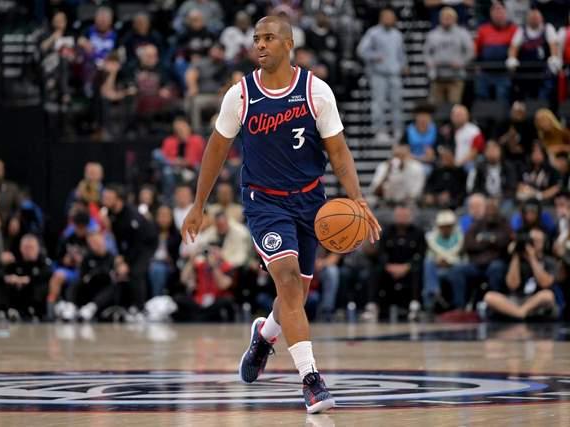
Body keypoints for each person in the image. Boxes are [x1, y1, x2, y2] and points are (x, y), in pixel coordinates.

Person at [181, 15, 381, 413]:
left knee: (296, 296)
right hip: (264, 203)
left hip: (310, 202)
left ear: (289, 44)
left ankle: (264, 334)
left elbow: (338, 152)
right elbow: (216, 149)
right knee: (287, 281)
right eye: (257, 38)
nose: (260, 44)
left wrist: (357, 199)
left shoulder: (315, 91)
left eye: (269, 38)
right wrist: (198, 205)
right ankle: (311, 380)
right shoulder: (240, 95)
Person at [484, 229, 560, 320]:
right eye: (531, 241)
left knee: (548, 295)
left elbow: (545, 283)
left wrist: (532, 258)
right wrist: (516, 255)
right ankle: (521, 313)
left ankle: (518, 313)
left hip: (535, 300)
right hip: (515, 299)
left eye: (537, 241)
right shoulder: (515, 260)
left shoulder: (549, 261)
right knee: (489, 297)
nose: (533, 244)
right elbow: (512, 285)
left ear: (544, 243)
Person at [357, 7, 407, 140]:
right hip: (378, 74)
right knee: (379, 103)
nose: (389, 19)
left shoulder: (397, 35)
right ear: (381, 18)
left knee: (397, 103)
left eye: (391, 17)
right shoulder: (373, 33)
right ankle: (379, 130)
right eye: (386, 17)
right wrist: (375, 56)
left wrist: (404, 65)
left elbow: (401, 53)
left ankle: (397, 130)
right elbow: (361, 50)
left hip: (394, 73)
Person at [423, 7, 474, 105]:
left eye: (449, 17)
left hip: (456, 76)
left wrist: (461, 62)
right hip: (437, 77)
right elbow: (426, 52)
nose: (447, 20)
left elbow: (470, 51)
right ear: (440, 19)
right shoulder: (433, 34)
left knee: (454, 106)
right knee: (437, 107)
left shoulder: (462, 33)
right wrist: (430, 63)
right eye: (444, 17)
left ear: (455, 19)